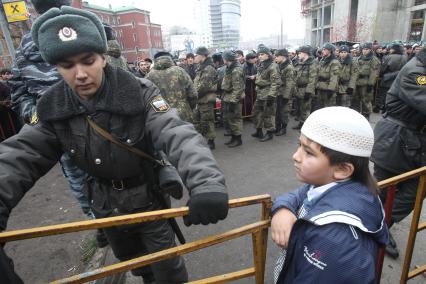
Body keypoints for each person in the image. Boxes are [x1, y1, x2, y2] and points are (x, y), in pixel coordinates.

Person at [0, 7, 229, 283]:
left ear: (103, 57)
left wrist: (206, 183)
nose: (80, 73)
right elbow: (19, 154)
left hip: (147, 200)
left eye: (88, 60)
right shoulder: (53, 106)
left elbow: (177, 132)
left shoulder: (140, 92)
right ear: (56, 68)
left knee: (168, 269)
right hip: (106, 208)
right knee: (135, 264)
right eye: (68, 66)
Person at [271, 106, 389, 284]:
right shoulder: (333, 185)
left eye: (308, 152)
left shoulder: (335, 241)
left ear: (342, 169)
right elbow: (298, 195)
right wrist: (283, 209)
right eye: (299, 145)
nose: (296, 156)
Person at [371, 46, 426, 259]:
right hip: (395, 141)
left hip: (415, 141)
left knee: (415, 191)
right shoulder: (417, 72)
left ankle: (381, 226)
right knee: (383, 190)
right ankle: (372, 231)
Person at [146, 51, 197, 123]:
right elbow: (193, 94)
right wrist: (189, 107)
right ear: (170, 58)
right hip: (183, 114)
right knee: (186, 133)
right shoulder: (180, 71)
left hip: (163, 117)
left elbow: (148, 100)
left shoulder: (149, 76)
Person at [252, 45, 281, 142]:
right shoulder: (262, 64)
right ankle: (259, 130)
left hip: (268, 93)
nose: (259, 56)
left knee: (268, 114)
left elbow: (275, 82)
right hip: (260, 93)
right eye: (259, 54)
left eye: (262, 54)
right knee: (256, 113)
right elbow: (260, 78)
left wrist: (271, 96)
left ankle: (269, 133)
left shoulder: (273, 66)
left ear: (268, 55)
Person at [193, 46, 217, 149]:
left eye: (196, 55)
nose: (195, 57)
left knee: (207, 120)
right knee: (198, 120)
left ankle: (211, 141)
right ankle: (202, 140)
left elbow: (204, 86)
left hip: (205, 99)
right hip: (200, 99)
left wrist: (193, 95)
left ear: (202, 56)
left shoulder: (208, 68)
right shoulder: (202, 66)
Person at [221, 50, 245, 147]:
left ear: (227, 59)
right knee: (230, 119)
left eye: (224, 58)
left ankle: (238, 139)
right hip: (228, 96)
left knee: (235, 119)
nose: (223, 60)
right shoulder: (230, 68)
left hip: (234, 98)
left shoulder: (236, 70)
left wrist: (233, 101)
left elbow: (237, 88)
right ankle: (233, 137)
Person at [292, 45, 319, 130]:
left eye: (300, 53)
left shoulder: (312, 63)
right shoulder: (300, 63)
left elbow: (313, 79)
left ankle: (306, 128)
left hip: (306, 89)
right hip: (298, 89)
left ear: (305, 53)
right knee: (300, 108)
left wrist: (309, 91)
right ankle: (301, 123)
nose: (298, 54)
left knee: (306, 109)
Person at [352, 42, 380, 120]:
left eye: (366, 49)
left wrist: (370, 85)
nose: (364, 51)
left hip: (366, 82)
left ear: (370, 50)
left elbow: (373, 73)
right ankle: (357, 114)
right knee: (356, 99)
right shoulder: (359, 58)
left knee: (366, 100)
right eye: (363, 49)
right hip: (357, 82)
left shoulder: (374, 59)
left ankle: (366, 115)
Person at [376, 43, 407, 112]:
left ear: (394, 49)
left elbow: (383, 69)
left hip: (387, 78)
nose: (390, 50)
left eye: (391, 49)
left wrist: (380, 75)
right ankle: (388, 108)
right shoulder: (405, 57)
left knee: (383, 94)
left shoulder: (389, 57)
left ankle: (379, 107)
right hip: (398, 79)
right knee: (393, 95)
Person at [274, 49, 295, 136]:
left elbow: (290, 83)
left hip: (285, 93)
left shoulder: (289, 67)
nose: (275, 58)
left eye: (277, 56)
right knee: (277, 111)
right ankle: (277, 127)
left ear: (283, 56)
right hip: (278, 92)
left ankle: (283, 128)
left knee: (284, 111)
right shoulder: (278, 65)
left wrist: (286, 96)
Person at [316, 43, 341, 109]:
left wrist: (331, 90)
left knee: (328, 109)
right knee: (320, 108)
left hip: (328, 89)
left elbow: (334, 77)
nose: (322, 51)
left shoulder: (334, 62)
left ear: (329, 51)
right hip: (320, 87)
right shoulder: (322, 60)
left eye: (324, 49)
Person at [242, 52, 257, 117]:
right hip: (246, 86)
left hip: (253, 86)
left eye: (255, 58)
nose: (255, 59)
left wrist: (255, 76)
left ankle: (252, 114)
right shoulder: (243, 66)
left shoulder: (255, 66)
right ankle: (246, 115)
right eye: (253, 58)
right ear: (248, 59)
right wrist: (248, 77)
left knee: (253, 100)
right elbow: (241, 76)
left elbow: (258, 73)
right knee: (247, 102)